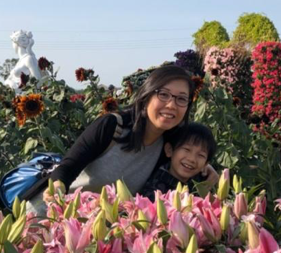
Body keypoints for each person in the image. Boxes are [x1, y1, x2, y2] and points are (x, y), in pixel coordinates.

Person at [48, 65, 216, 197]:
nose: (171, 105)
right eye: (163, 95)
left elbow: (185, 160)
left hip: (100, 234)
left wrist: (206, 168)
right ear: (147, 95)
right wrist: (57, 191)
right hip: (55, 218)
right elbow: (66, 169)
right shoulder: (112, 126)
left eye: (181, 99)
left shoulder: (167, 145)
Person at [137, 122, 218, 198]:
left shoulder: (202, 183)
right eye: (187, 149)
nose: (192, 159)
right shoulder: (154, 191)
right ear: (169, 150)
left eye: (201, 155)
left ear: (206, 164)